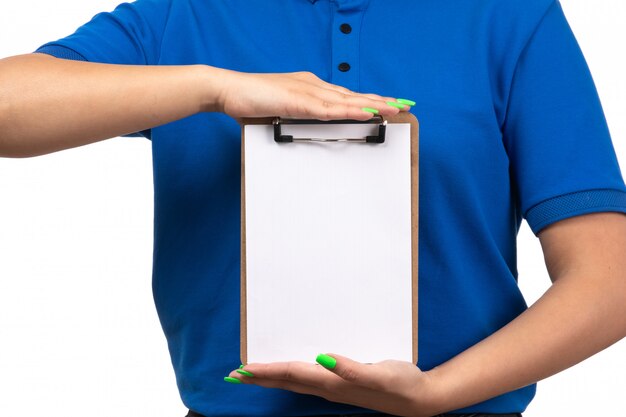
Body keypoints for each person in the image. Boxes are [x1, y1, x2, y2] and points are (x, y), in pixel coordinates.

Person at [1, 0, 625, 416]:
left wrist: (439, 393)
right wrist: (212, 87)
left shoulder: (509, 16)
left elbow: (609, 278)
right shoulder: (182, 16)